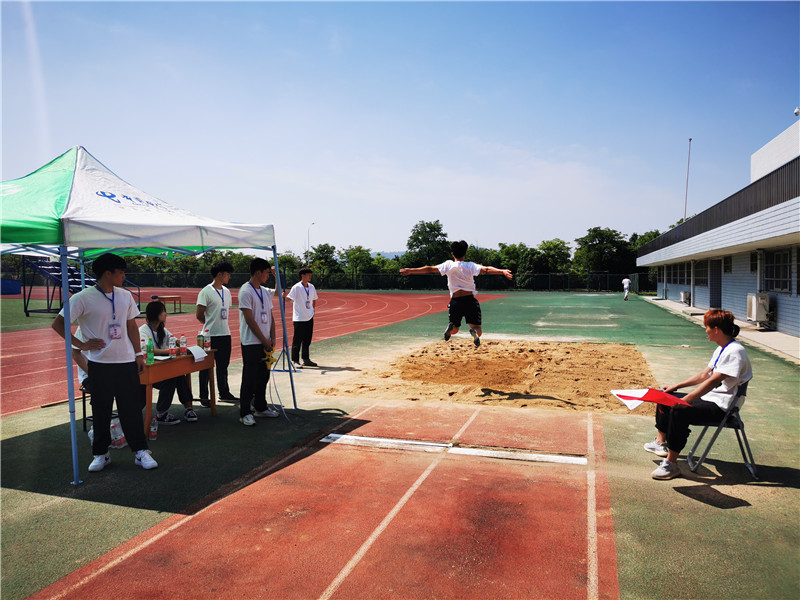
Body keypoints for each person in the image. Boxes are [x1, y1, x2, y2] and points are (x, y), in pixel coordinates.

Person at [52, 252, 158, 471]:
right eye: (121, 272)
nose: (124, 276)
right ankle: (101, 454)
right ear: (107, 273)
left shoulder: (125, 296)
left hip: (126, 362)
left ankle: (140, 451)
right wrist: (80, 345)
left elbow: (131, 326)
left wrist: (138, 354)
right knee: (101, 411)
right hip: (99, 365)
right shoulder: (82, 298)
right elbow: (58, 324)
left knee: (131, 409)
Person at [644, 309, 752, 480]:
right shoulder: (722, 348)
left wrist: (687, 399)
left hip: (723, 406)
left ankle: (671, 464)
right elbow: (704, 375)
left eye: (707, 327)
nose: (705, 330)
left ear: (716, 329)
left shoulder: (735, 352)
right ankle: (660, 443)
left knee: (678, 410)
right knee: (665, 397)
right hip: (711, 398)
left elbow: (714, 381)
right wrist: (676, 386)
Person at [400, 240, 513, 347]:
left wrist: (410, 270)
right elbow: (486, 269)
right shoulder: (470, 265)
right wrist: (502, 271)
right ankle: (473, 332)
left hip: (455, 301)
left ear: (452, 254)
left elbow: (429, 269)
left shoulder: (448, 265)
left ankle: (450, 328)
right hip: (469, 301)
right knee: (478, 329)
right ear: (465, 254)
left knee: (455, 329)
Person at [140, 301, 198, 425]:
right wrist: (168, 351)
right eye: (163, 311)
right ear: (155, 314)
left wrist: (180, 343)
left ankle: (188, 408)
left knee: (179, 374)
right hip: (146, 371)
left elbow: (173, 339)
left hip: (159, 368)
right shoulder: (143, 331)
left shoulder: (162, 330)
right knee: (170, 377)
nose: (165, 314)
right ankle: (161, 413)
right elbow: (146, 349)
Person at [237, 257, 280, 425]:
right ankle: (245, 412)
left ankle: (260, 407)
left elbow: (271, 316)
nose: (268, 275)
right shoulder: (245, 291)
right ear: (258, 273)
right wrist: (263, 340)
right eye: (267, 273)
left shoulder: (264, 291)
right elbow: (249, 320)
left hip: (265, 342)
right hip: (251, 343)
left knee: (263, 376)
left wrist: (272, 337)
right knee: (249, 378)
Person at [196, 261, 236, 404]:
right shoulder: (206, 291)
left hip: (225, 334)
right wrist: (209, 326)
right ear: (220, 274)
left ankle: (224, 393)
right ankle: (203, 397)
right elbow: (199, 315)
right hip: (209, 336)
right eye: (228, 274)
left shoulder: (227, 292)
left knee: (223, 367)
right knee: (205, 368)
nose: (229, 277)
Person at [284, 267, 319, 369]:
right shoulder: (296, 287)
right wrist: (284, 296)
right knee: (297, 340)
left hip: (309, 317)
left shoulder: (311, 287)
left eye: (310, 274)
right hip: (299, 318)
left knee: (307, 339)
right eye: (308, 274)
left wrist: (313, 310)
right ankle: (295, 360)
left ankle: (306, 359)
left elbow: (314, 299)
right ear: (302, 276)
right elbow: (289, 299)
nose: (310, 276)